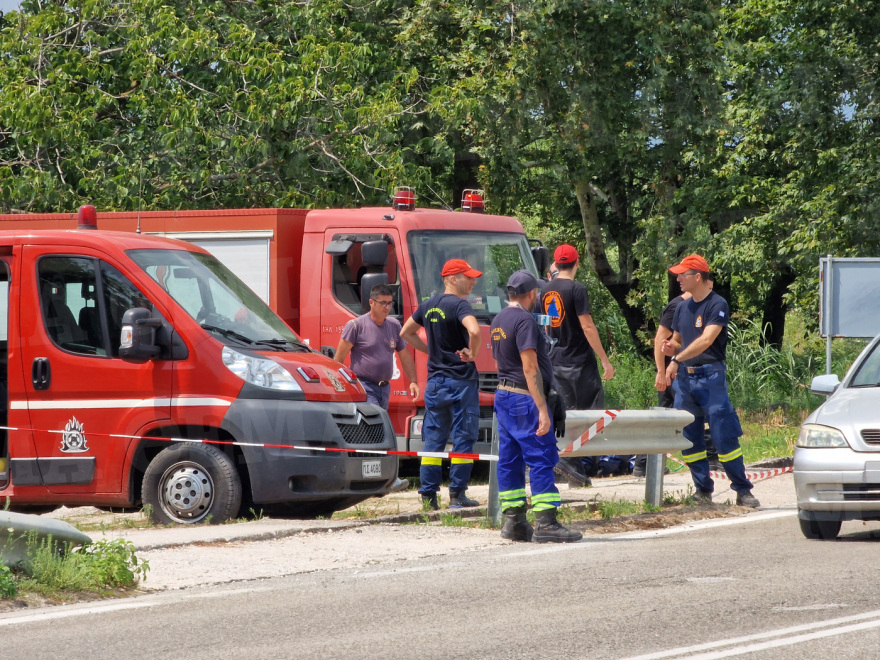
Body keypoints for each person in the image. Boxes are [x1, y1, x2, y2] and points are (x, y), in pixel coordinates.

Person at [662, 254, 760, 508]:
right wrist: (670, 347)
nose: (678, 278)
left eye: (683, 274)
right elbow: (679, 340)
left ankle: (742, 489)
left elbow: (706, 340)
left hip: (711, 378)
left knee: (723, 435)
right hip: (685, 381)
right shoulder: (682, 307)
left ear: (698, 277)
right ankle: (702, 489)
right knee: (690, 438)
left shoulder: (717, 304)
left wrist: (676, 360)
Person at [491, 270, 581, 543]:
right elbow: (530, 368)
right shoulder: (525, 321)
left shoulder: (499, 319)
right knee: (541, 457)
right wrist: (542, 407)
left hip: (503, 395)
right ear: (532, 294)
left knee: (510, 459)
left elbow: (500, 362)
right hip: (523, 398)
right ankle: (546, 523)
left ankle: (514, 521)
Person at [400, 259, 482, 511]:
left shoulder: (428, 305)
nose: (473, 281)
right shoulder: (459, 305)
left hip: (436, 383)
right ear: (452, 278)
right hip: (460, 382)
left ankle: (428, 498)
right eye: (468, 277)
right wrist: (473, 353)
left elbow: (405, 333)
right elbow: (475, 331)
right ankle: (457, 495)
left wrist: (430, 351)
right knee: (463, 439)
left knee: (433, 441)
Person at [334, 284, 420, 493]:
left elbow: (405, 355)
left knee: (381, 430)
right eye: (383, 303)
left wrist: (413, 380)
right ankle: (383, 478)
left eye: (390, 303)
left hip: (384, 388)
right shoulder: (355, 326)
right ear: (371, 302)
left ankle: (384, 477)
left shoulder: (392, 325)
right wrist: (338, 385)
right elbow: (339, 358)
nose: (387, 307)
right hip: (365, 386)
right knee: (377, 429)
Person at [541, 244, 615, 486]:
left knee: (566, 416)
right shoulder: (577, 289)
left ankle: (571, 470)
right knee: (590, 415)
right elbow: (587, 326)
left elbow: (545, 326)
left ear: (556, 263)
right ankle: (576, 469)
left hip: (555, 361)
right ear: (577, 262)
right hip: (580, 363)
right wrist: (605, 360)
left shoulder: (546, 290)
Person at [633, 288, 721, 477]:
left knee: (676, 415)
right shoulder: (677, 306)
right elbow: (659, 339)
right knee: (680, 415)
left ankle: (644, 462)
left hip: (683, 369)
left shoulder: (698, 306)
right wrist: (661, 372)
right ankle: (644, 461)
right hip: (673, 372)